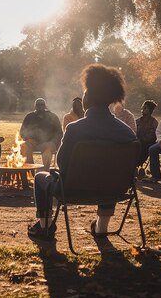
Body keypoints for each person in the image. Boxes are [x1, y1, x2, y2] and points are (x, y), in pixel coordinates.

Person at [28, 64, 137, 240]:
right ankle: (102, 228)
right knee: (109, 173)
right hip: (115, 189)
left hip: (73, 189)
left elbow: (62, 164)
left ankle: (45, 226)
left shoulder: (75, 129)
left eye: (85, 92)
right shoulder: (126, 132)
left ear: (88, 99)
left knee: (41, 177)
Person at [20, 98, 62, 171]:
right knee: (25, 146)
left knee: (48, 150)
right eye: (38, 105)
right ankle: (30, 169)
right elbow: (22, 132)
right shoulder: (29, 117)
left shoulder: (53, 117)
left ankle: (44, 171)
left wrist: (52, 142)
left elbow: (59, 133)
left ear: (45, 106)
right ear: (35, 107)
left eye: (42, 105)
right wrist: (28, 138)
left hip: (48, 144)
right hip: (34, 143)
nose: (40, 107)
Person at [136, 100, 158, 166]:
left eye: (145, 108)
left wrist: (142, 139)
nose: (143, 109)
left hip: (148, 143)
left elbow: (152, 136)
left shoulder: (153, 122)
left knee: (143, 147)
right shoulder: (137, 121)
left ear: (150, 110)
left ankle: (136, 165)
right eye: (143, 107)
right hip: (138, 142)